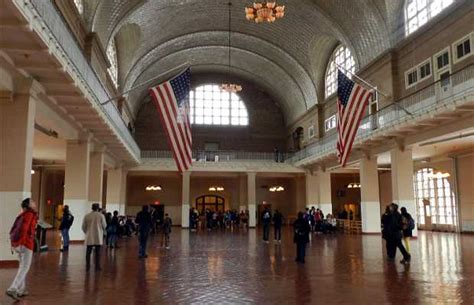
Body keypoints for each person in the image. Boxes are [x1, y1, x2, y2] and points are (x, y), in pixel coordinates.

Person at [6, 198, 38, 301]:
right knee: (25, 267)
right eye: (32, 202)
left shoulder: (23, 214)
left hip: (20, 244)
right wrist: (22, 243)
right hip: (26, 244)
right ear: (28, 205)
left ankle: (21, 289)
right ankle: (13, 288)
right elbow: (24, 229)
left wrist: (15, 244)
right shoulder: (29, 214)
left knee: (22, 266)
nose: (34, 203)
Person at [82, 203, 107, 272]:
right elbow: (104, 226)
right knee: (98, 252)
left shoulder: (87, 216)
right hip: (98, 236)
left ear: (91, 208)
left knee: (88, 252)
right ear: (98, 208)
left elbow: (83, 227)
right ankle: (97, 266)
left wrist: (87, 232)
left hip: (89, 236)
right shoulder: (101, 216)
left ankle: (87, 267)